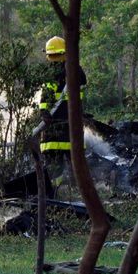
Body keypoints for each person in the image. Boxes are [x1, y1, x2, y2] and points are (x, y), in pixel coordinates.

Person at [39, 36, 87, 192]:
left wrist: (44, 112)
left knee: (57, 163)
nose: (53, 60)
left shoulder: (57, 73)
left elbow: (45, 96)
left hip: (56, 126)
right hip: (70, 125)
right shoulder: (75, 71)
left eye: (54, 56)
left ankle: (58, 191)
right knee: (73, 161)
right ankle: (73, 190)